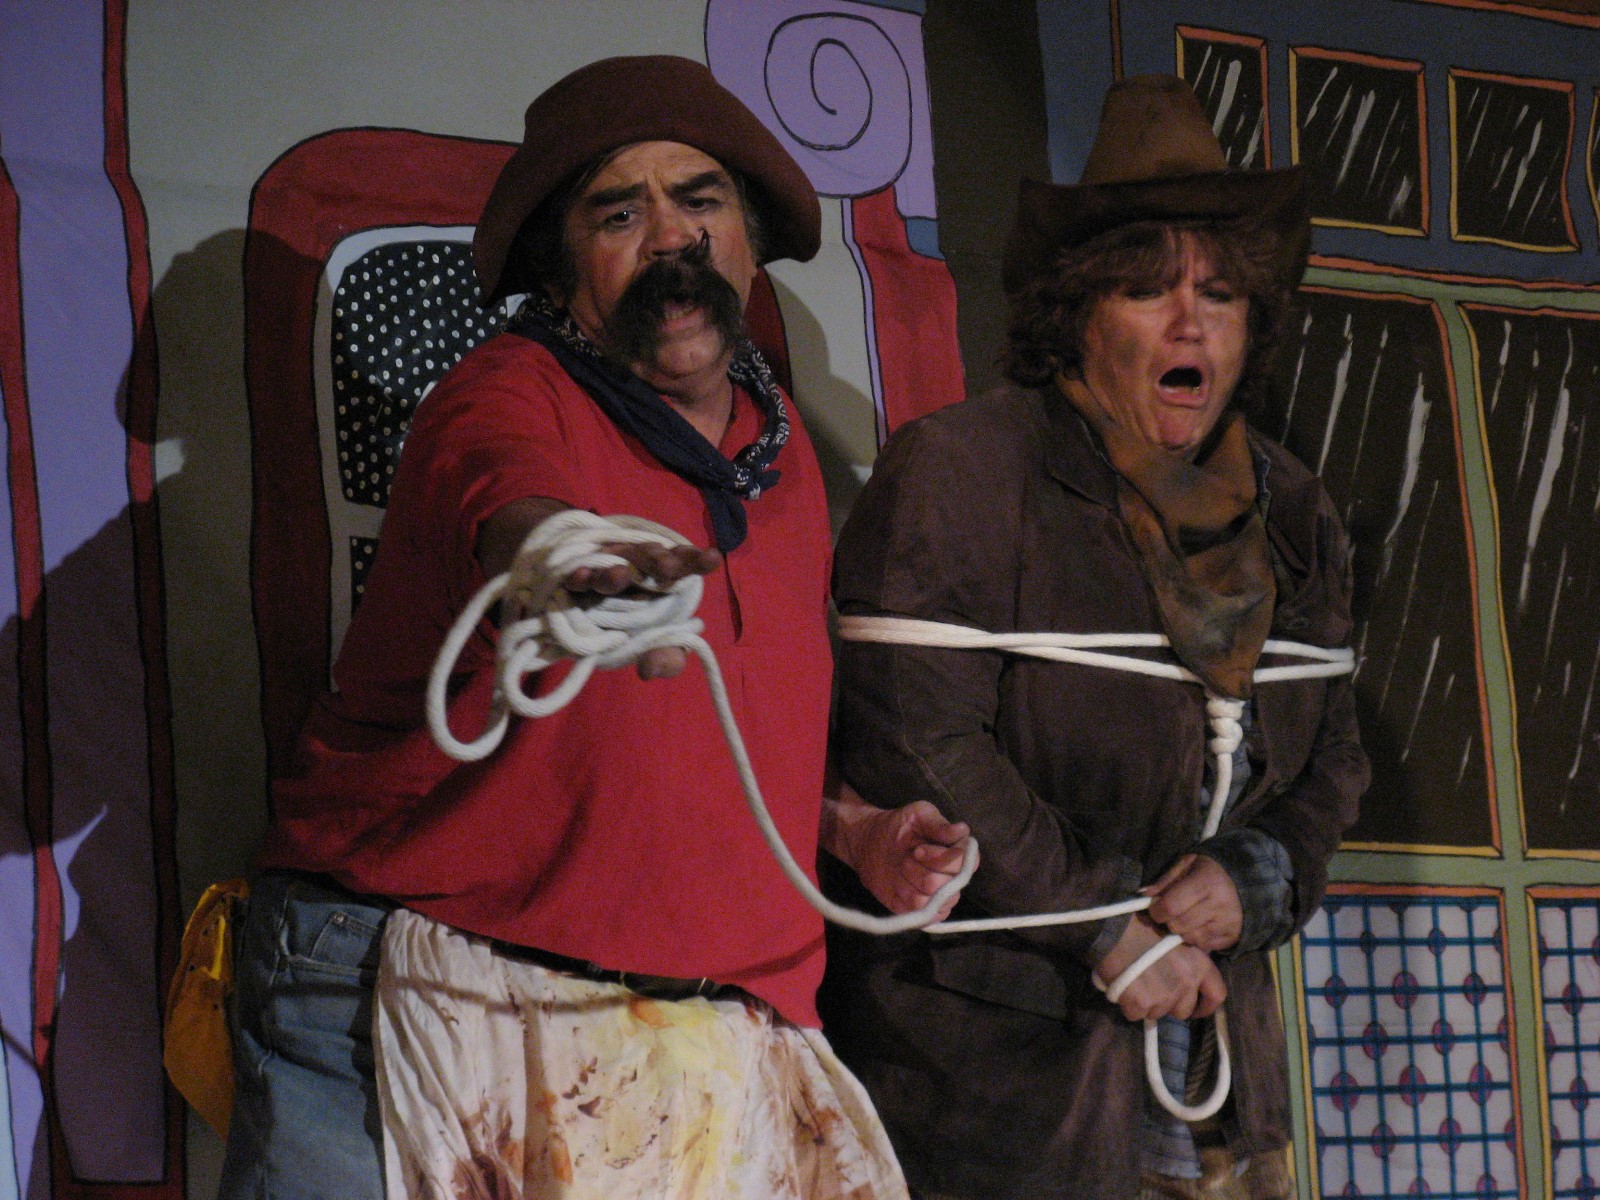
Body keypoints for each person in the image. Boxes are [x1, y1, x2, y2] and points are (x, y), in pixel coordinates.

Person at [217, 55, 968, 1200]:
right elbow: (508, 498)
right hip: (417, 979)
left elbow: (702, 740)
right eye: (620, 214)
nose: (670, 236)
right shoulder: (506, 395)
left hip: (671, 1037)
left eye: (699, 200)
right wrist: (563, 560)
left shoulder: (778, 454)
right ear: (565, 266)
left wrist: (851, 829)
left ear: (748, 241)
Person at [818, 75, 1370, 1200]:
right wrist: (1108, 923)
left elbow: (1331, 756)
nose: (1189, 324)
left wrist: (1259, 876)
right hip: (997, 1077)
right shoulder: (966, 473)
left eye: (1219, 295)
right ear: (1078, 312)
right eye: (1146, 290)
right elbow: (915, 739)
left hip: (1207, 1055)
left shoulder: (1292, 509)